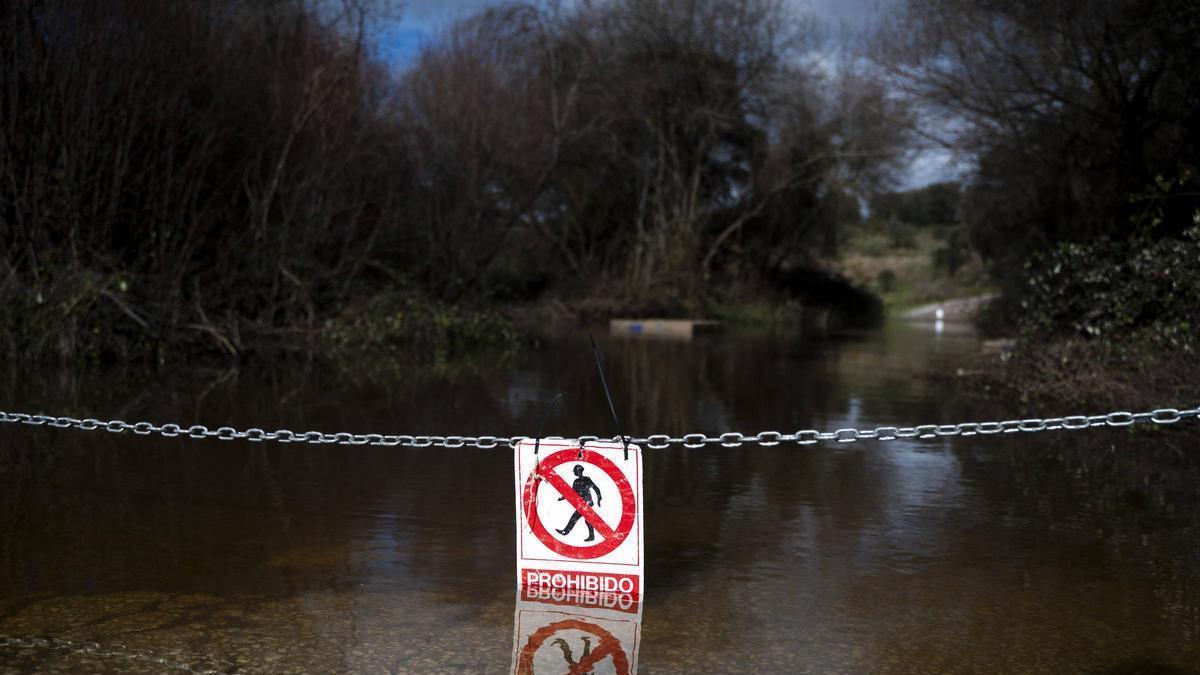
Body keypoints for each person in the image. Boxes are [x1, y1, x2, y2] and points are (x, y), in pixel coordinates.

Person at [556, 465, 602, 541]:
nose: (574, 472)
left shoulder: (585, 479)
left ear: (577, 471)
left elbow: (596, 489)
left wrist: (599, 499)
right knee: (587, 520)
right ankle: (591, 536)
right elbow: (571, 492)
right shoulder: (577, 481)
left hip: (586, 503)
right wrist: (563, 497)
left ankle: (565, 531)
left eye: (574, 471)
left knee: (575, 518)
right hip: (583, 503)